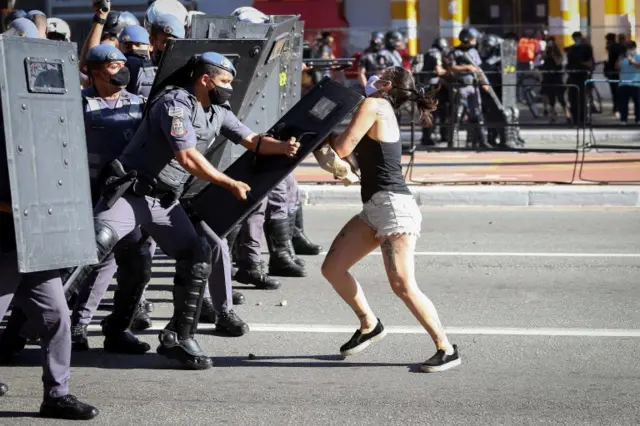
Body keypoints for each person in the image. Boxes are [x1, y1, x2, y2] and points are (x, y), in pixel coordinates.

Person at [70, 52, 299, 369]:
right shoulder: (174, 104)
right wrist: (228, 183)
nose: (229, 88)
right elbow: (187, 157)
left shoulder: (217, 109)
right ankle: (30, 328)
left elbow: (252, 140)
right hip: (132, 193)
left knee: (196, 254)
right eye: (224, 82)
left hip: (164, 201)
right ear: (205, 79)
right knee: (92, 248)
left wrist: (285, 147)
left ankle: (177, 337)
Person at [320, 66, 460, 373]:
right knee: (332, 268)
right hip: (375, 207)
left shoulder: (376, 105)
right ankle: (369, 324)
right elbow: (355, 156)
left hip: (393, 208)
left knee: (403, 285)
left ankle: (446, 348)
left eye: (378, 74)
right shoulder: (378, 106)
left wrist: (322, 133)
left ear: (385, 84)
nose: (371, 76)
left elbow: (343, 148)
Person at [0, 22, 100, 420]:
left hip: (37, 243)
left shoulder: (42, 115)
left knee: (58, 318)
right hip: (6, 243)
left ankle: (56, 395)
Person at [448, 28, 490, 148]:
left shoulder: (474, 52)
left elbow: (478, 69)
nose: (475, 41)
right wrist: (467, 67)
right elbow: (451, 67)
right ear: (467, 39)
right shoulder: (454, 52)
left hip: (474, 86)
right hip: (461, 86)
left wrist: (484, 82)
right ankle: (453, 143)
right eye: (473, 38)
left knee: (477, 113)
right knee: (457, 114)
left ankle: (482, 141)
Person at [135, 13, 185, 97]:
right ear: (152, 40)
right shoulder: (138, 70)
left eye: (178, 43)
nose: (173, 48)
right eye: (167, 42)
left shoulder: (190, 73)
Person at [565, 31, 594, 124]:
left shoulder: (586, 48)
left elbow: (590, 62)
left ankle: (583, 119)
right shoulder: (571, 49)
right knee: (573, 99)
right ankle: (575, 119)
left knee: (583, 99)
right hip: (573, 76)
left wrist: (581, 64)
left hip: (583, 76)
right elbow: (568, 62)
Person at [540, 36, 569, 123]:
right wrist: (545, 52)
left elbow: (558, 62)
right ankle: (553, 116)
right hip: (547, 78)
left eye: (551, 43)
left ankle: (568, 115)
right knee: (550, 98)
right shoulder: (546, 52)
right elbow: (541, 59)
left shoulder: (558, 52)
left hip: (556, 78)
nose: (549, 45)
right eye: (548, 43)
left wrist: (553, 54)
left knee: (561, 98)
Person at [617, 41, 640, 124]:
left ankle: (638, 119)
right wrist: (620, 59)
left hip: (635, 83)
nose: (628, 50)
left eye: (630, 47)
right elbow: (617, 67)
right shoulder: (623, 58)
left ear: (634, 48)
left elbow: (638, 65)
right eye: (627, 48)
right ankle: (623, 119)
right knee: (623, 103)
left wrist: (631, 60)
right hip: (623, 83)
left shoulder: (638, 56)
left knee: (637, 103)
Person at [604, 33, 625, 116]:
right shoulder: (618, 46)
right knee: (617, 90)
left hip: (613, 71)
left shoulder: (613, 47)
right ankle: (617, 107)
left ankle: (617, 107)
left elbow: (614, 60)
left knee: (615, 90)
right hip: (616, 71)